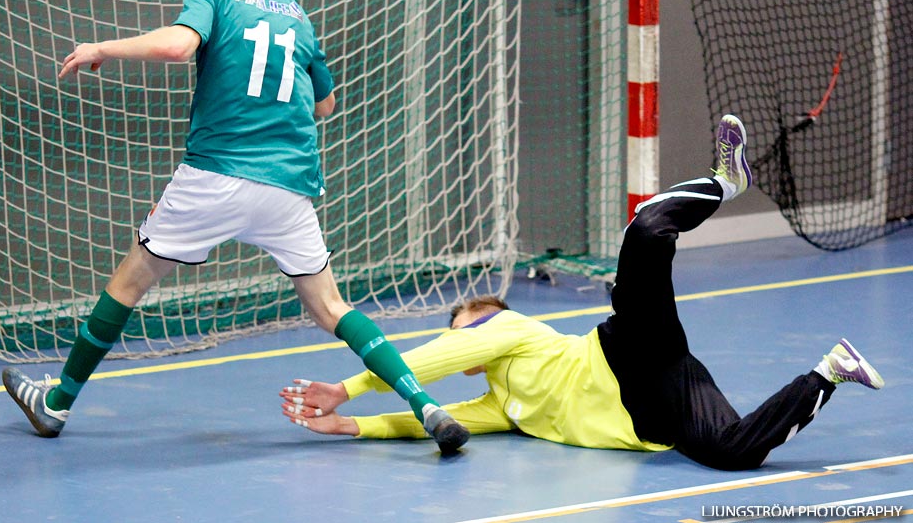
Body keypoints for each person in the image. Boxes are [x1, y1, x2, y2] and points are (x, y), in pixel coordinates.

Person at [2, 0, 468, 453]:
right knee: (330, 308)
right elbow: (326, 103)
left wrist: (102, 49)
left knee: (130, 282)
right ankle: (427, 406)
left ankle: (55, 404)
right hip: (289, 182)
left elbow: (179, 46)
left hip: (217, 172)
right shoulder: (296, 14)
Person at [278, 114, 885, 470]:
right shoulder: (499, 408)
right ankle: (831, 370)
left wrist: (349, 387)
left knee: (647, 231)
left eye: (480, 320)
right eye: (468, 325)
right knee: (734, 451)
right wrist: (354, 428)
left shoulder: (514, 332)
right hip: (657, 414)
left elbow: (424, 365)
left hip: (628, 351)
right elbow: (429, 421)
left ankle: (725, 184)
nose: (474, 329)